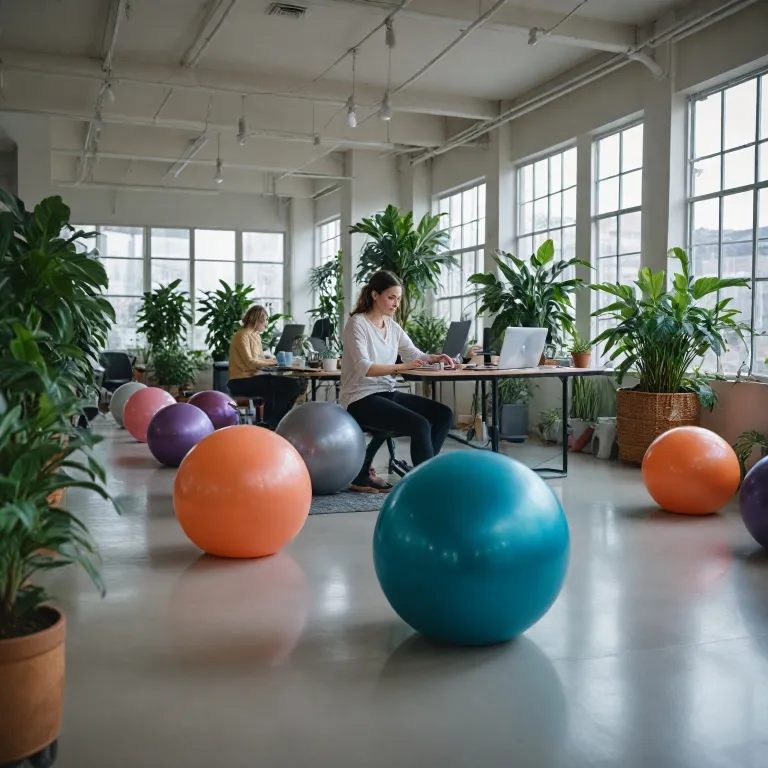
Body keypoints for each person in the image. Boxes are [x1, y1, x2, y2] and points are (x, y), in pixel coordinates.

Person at [341, 270, 456, 493]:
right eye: (391, 297)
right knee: (419, 424)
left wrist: (434, 357)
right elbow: (364, 367)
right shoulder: (357, 324)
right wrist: (403, 367)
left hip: (385, 392)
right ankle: (422, 487)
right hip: (359, 398)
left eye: (399, 298)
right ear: (375, 295)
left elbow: (413, 354)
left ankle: (425, 473)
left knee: (443, 415)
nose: (396, 304)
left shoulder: (392, 326)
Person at [227, 305, 301, 429]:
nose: (266, 323)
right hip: (239, 381)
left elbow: (259, 359)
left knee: (293, 387)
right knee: (271, 388)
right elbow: (250, 362)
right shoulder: (242, 335)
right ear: (257, 320)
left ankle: (277, 422)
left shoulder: (256, 335)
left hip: (253, 378)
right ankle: (267, 425)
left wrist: (273, 360)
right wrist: (274, 362)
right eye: (265, 320)